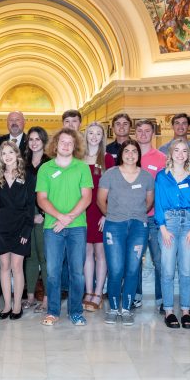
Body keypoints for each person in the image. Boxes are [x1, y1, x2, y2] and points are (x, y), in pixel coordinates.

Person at [36, 127, 93, 326]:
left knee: (77, 271)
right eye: (63, 142)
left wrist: (68, 218)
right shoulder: (46, 169)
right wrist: (60, 217)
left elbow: (87, 197)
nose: (66, 145)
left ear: (75, 146)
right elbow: (41, 199)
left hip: (77, 227)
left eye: (70, 142)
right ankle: (53, 311)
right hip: (52, 228)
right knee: (52, 271)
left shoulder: (82, 168)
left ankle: (76, 311)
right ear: (55, 145)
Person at [98, 140, 154, 325]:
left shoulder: (146, 177)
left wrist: (135, 215)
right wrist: (114, 215)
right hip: (114, 226)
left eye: (134, 151)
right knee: (115, 269)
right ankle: (114, 308)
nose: (130, 154)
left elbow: (149, 202)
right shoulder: (110, 174)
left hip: (139, 227)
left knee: (132, 269)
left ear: (139, 155)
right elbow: (101, 201)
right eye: (127, 151)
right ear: (121, 153)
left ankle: (126, 309)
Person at [154, 140, 190, 328]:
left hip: (188, 224)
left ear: (188, 154)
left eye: (184, 151)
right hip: (168, 224)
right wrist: (162, 228)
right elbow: (158, 203)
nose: (180, 154)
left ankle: (185, 311)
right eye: (176, 150)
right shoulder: (161, 176)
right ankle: (168, 311)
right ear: (170, 153)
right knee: (167, 269)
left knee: (185, 271)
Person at [0, 141, 36, 319]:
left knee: (17, 267)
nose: (7, 156)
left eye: (10, 152)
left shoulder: (28, 176)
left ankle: (17, 306)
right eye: (3, 153)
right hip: (1, 226)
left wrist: (26, 230)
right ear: (0, 157)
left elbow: (31, 206)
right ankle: (6, 305)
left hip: (21, 226)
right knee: (4, 267)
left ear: (17, 154)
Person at [133, 119, 166, 308]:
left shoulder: (161, 158)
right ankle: (135, 295)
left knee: (159, 261)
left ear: (153, 133)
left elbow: (163, 189)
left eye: (147, 131)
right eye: (139, 130)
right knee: (134, 261)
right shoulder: (129, 155)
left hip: (154, 218)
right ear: (135, 133)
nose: (143, 134)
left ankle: (161, 299)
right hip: (134, 217)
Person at [81, 122, 110, 311]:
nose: (94, 136)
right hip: (82, 211)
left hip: (101, 212)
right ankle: (88, 291)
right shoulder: (77, 158)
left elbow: (114, 190)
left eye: (98, 133)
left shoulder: (108, 159)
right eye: (90, 133)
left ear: (102, 137)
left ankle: (99, 292)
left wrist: (107, 214)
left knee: (101, 253)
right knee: (86, 254)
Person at [23, 127, 50, 309]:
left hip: (44, 215)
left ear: (43, 142)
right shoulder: (22, 163)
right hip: (25, 215)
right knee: (30, 256)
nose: (34, 143)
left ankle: (47, 298)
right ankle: (31, 296)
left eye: (37, 139)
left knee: (44, 257)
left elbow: (55, 193)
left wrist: (42, 214)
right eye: (31, 139)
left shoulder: (51, 163)